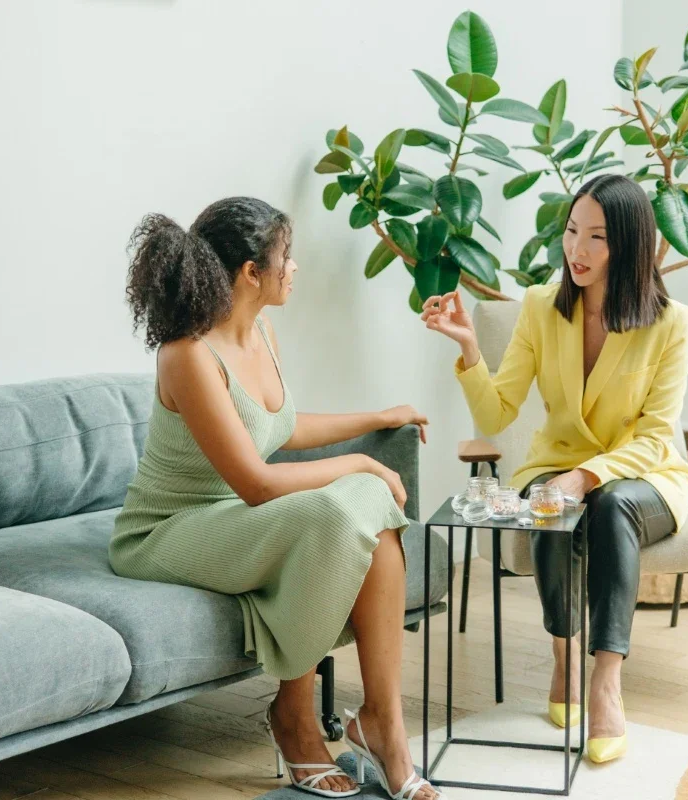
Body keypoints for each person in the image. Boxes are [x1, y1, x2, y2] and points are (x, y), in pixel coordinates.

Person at [109, 197, 444, 800]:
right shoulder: (187, 354)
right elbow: (256, 483)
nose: (295, 268)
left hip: (234, 518)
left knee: (361, 513)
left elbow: (279, 429)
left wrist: (376, 416)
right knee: (340, 506)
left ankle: (382, 724)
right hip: (166, 531)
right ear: (250, 273)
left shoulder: (262, 331)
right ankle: (294, 717)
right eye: (286, 256)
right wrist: (363, 461)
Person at [421, 173, 688, 764]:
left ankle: (605, 681)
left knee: (607, 500)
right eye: (572, 231)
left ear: (629, 246)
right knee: (550, 496)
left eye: (597, 237)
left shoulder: (672, 323)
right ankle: (563, 655)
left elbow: (653, 435)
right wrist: (470, 348)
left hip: (645, 477)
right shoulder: (541, 306)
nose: (577, 249)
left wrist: (588, 476)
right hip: (558, 466)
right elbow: (497, 411)